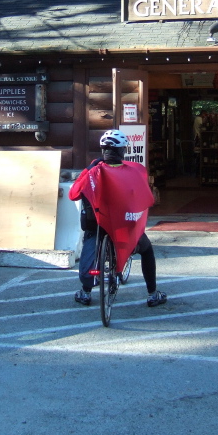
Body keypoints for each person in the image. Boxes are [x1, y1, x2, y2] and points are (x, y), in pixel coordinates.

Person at [69, 129, 167, 308]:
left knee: (90, 243)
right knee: (146, 250)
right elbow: (147, 199)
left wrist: (89, 169)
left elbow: (73, 194)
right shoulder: (135, 170)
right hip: (125, 226)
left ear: (102, 150)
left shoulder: (93, 171)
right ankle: (152, 294)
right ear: (122, 151)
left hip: (97, 226)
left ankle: (85, 292)